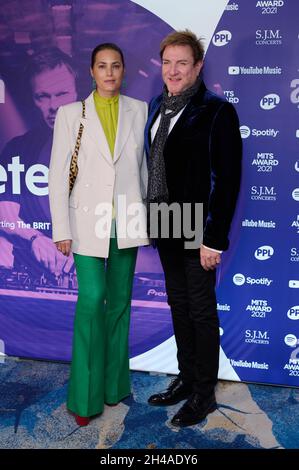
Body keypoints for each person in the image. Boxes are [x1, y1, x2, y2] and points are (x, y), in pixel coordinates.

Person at [48, 43, 149, 426]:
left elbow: (141, 170)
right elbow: (58, 176)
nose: (109, 73)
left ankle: (113, 388)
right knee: (92, 301)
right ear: (91, 71)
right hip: (86, 222)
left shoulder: (139, 109)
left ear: (124, 70)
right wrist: (62, 229)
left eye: (116, 66)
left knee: (121, 303)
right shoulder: (71, 114)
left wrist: (146, 220)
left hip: (126, 220)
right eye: (102, 66)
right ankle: (85, 399)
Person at [145, 30, 242, 427]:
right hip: (166, 221)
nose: (173, 70)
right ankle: (186, 379)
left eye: (182, 62)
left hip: (198, 226)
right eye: (167, 62)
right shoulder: (158, 105)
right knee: (179, 306)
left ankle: (204, 394)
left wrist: (213, 238)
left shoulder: (217, 110)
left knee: (201, 312)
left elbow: (228, 179)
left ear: (198, 66)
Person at [0, 47, 77, 276]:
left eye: (61, 93)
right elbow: (5, 213)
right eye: (43, 96)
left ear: (77, 92)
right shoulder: (18, 149)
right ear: (33, 99)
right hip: (33, 269)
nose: (53, 106)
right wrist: (34, 238)